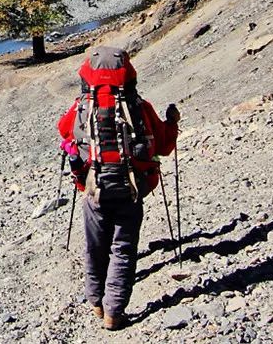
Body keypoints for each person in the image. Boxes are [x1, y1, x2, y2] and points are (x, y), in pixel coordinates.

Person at [57, 46, 179, 331]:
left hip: (94, 190)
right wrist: (172, 123)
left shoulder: (82, 107)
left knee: (95, 246)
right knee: (123, 249)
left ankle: (96, 302)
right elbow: (163, 145)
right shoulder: (140, 108)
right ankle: (114, 311)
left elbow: (64, 131)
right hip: (131, 189)